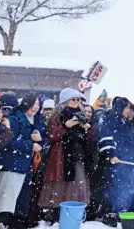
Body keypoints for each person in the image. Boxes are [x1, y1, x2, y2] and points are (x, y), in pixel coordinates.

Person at [0, 94, 47, 227]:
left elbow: (42, 141)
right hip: (12, 164)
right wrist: (30, 145)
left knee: (21, 202)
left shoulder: (37, 120)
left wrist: (40, 140)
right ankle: (1, 223)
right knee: (6, 200)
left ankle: (16, 224)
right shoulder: (14, 118)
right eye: (33, 104)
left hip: (26, 166)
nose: (35, 107)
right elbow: (9, 140)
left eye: (38, 105)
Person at [39, 88, 92, 217]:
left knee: (77, 184)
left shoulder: (81, 115)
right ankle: (56, 213)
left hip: (78, 156)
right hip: (61, 156)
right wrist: (65, 126)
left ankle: (73, 212)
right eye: (73, 99)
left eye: (78, 99)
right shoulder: (57, 116)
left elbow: (88, 139)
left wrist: (87, 129)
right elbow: (52, 136)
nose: (76, 102)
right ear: (65, 101)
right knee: (59, 184)